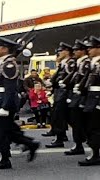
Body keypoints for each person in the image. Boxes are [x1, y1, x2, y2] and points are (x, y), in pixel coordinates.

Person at [0, 37, 40, 170]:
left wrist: (5, 107)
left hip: (5, 101)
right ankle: (30, 144)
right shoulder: (2, 62)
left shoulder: (9, 64)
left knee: (2, 131)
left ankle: (4, 159)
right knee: (8, 129)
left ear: (4, 49)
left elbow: (10, 88)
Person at [45, 42, 76, 148]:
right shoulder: (63, 63)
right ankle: (60, 136)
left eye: (61, 51)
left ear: (67, 52)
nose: (59, 53)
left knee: (64, 116)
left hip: (65, 93)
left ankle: (62, 138)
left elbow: (72, 79)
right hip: (60, 93)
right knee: (59, 116)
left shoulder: (70, 63)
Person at [64, 38, 90, 156]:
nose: (74, 52)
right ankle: (79, 143)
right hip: (76, 95)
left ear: (83, 51)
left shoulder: (86, 63)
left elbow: (87, 80)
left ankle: (82, 142)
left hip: (83, 96)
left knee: (83, 121)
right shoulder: (79, 63)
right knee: (76, 120)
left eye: (77, 50)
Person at [79, 36, 100, 166]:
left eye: (91, 48)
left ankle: (95, 154)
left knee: (95, 128)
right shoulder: (94, 63)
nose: (89, 50)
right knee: (90, 127)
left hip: (97, 99)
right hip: (91, 98)